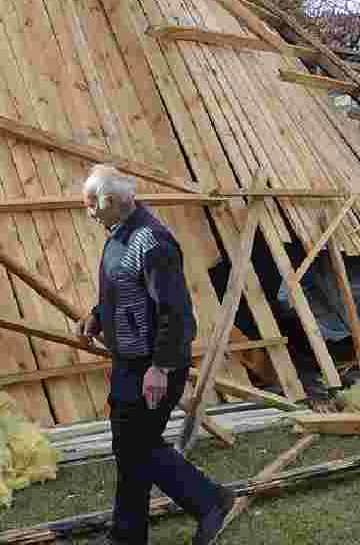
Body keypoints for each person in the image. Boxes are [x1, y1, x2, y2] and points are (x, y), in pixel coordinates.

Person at [75, 164, 235, 545]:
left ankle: (210, 500)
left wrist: (160, 367)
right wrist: (97, 317)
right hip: (129, 362)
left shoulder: (152, 242)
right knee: (130, 448)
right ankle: (129, 536)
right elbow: (121, 290)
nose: (89, 214)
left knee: (138, 448)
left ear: (112, 201)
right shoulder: (118, 235)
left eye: (91, 206)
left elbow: (175, 313)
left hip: (154, 365)